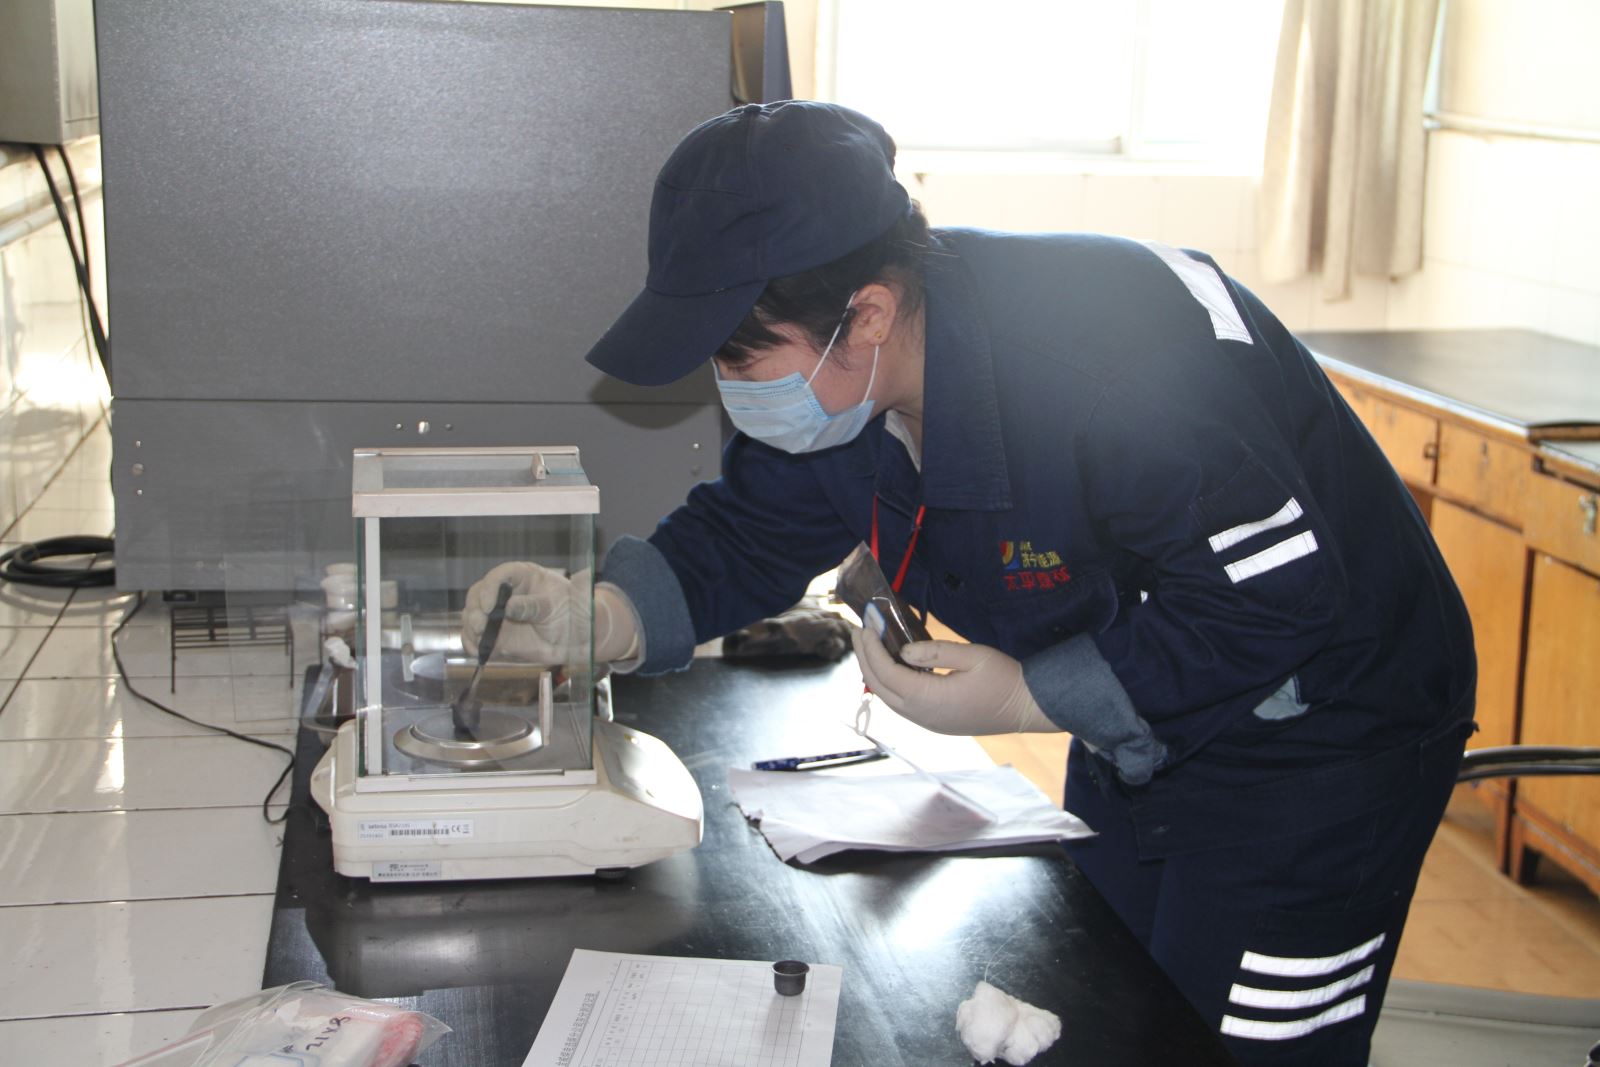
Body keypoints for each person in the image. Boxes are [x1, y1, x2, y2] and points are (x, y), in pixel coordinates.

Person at [464, 101, 1475, 1065]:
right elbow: (754, 524)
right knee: (1114, 1008)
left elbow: (1276, 594)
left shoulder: (1113, 370)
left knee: (1237, 1045)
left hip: (1326, 730)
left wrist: (1032, 694)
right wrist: (606, 613)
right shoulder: (849, 380)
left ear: (867, 312)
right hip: (1149, 713)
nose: (726, 385)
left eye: (739, 354)